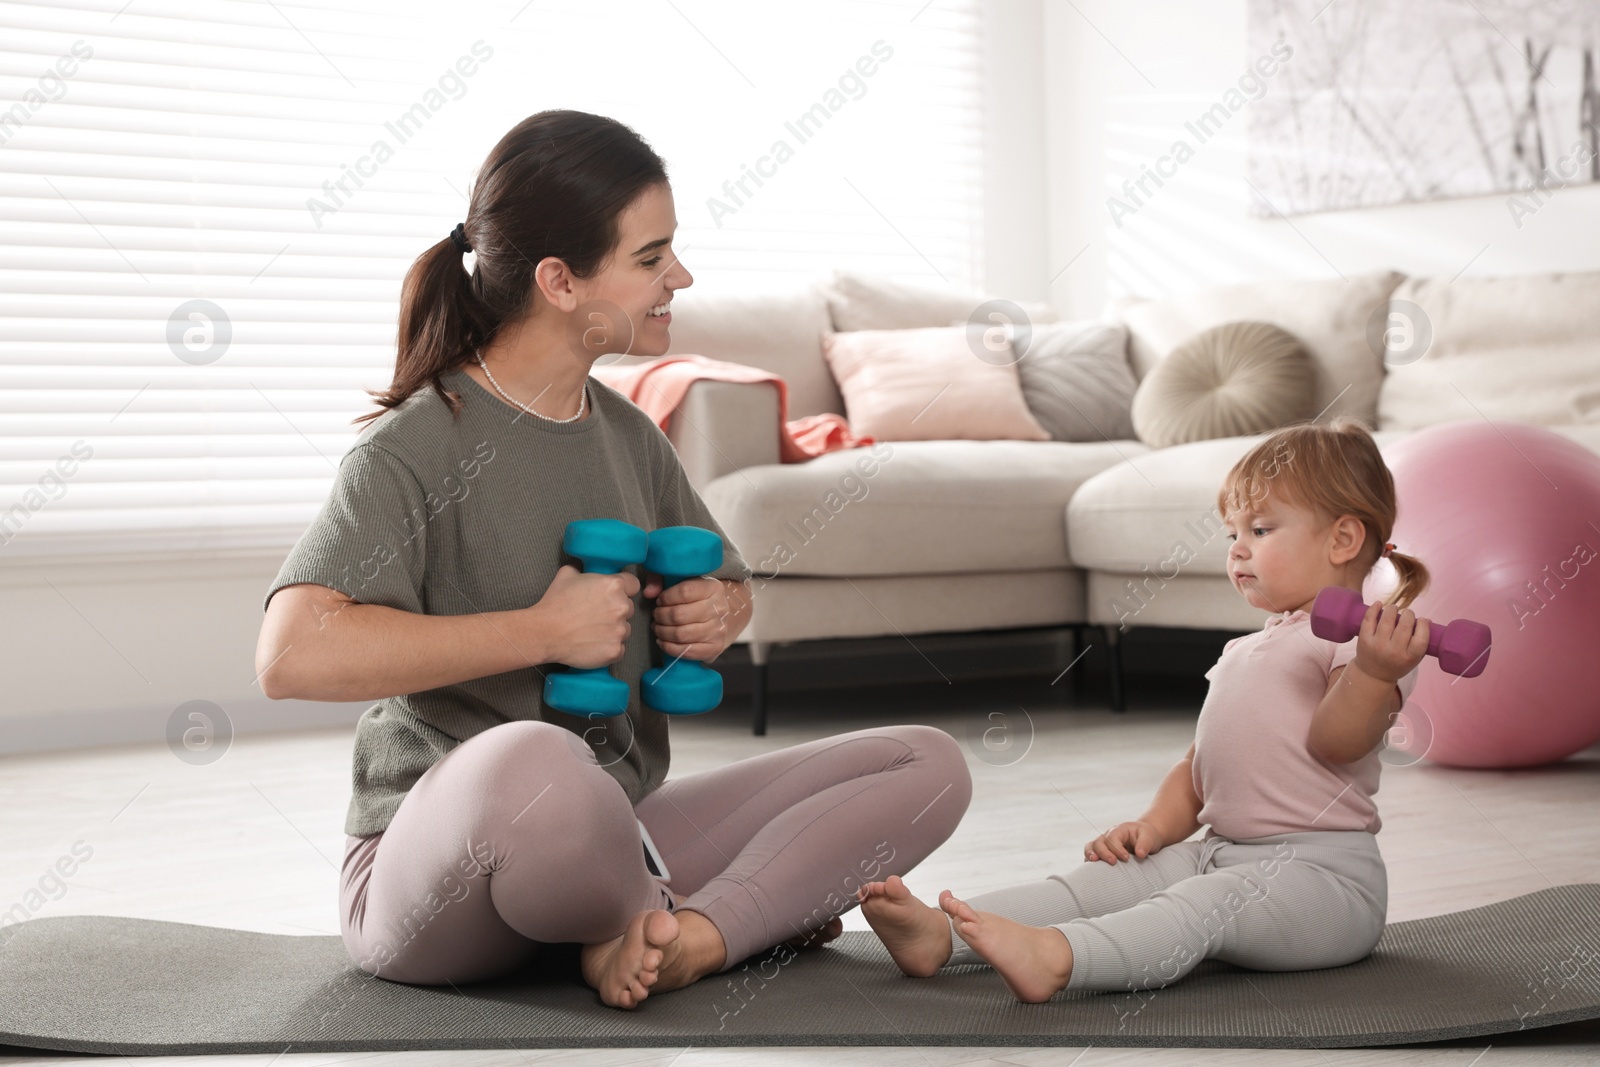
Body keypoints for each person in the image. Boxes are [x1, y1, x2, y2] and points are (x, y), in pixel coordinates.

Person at [255, 109, 971, 1010]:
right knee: (535, 763)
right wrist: (539, 630)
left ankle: (690, 936)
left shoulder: (629, 435)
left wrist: (716, 612)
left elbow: (730, 582)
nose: (681, 276)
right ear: (559, 280)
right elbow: (291, 655)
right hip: (437, 871)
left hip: (614, 832)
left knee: (924, 762)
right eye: (651, 258)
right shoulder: (416, 446)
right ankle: (715, 907)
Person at [857, 417, 1431, 1004]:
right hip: (1219, 852)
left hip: (1324, 883)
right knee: (1103, 883)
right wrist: (1156, 827)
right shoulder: (1245, 649)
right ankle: (939, 935)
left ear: (1342, 540)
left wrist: (1374, 671)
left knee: (1200, 906)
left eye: (1259, 529)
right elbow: (1199, 765)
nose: (1237, 549)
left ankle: (1059, 958)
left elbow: (1340, 743)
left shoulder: (1368, 647)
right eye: (1231, 532)